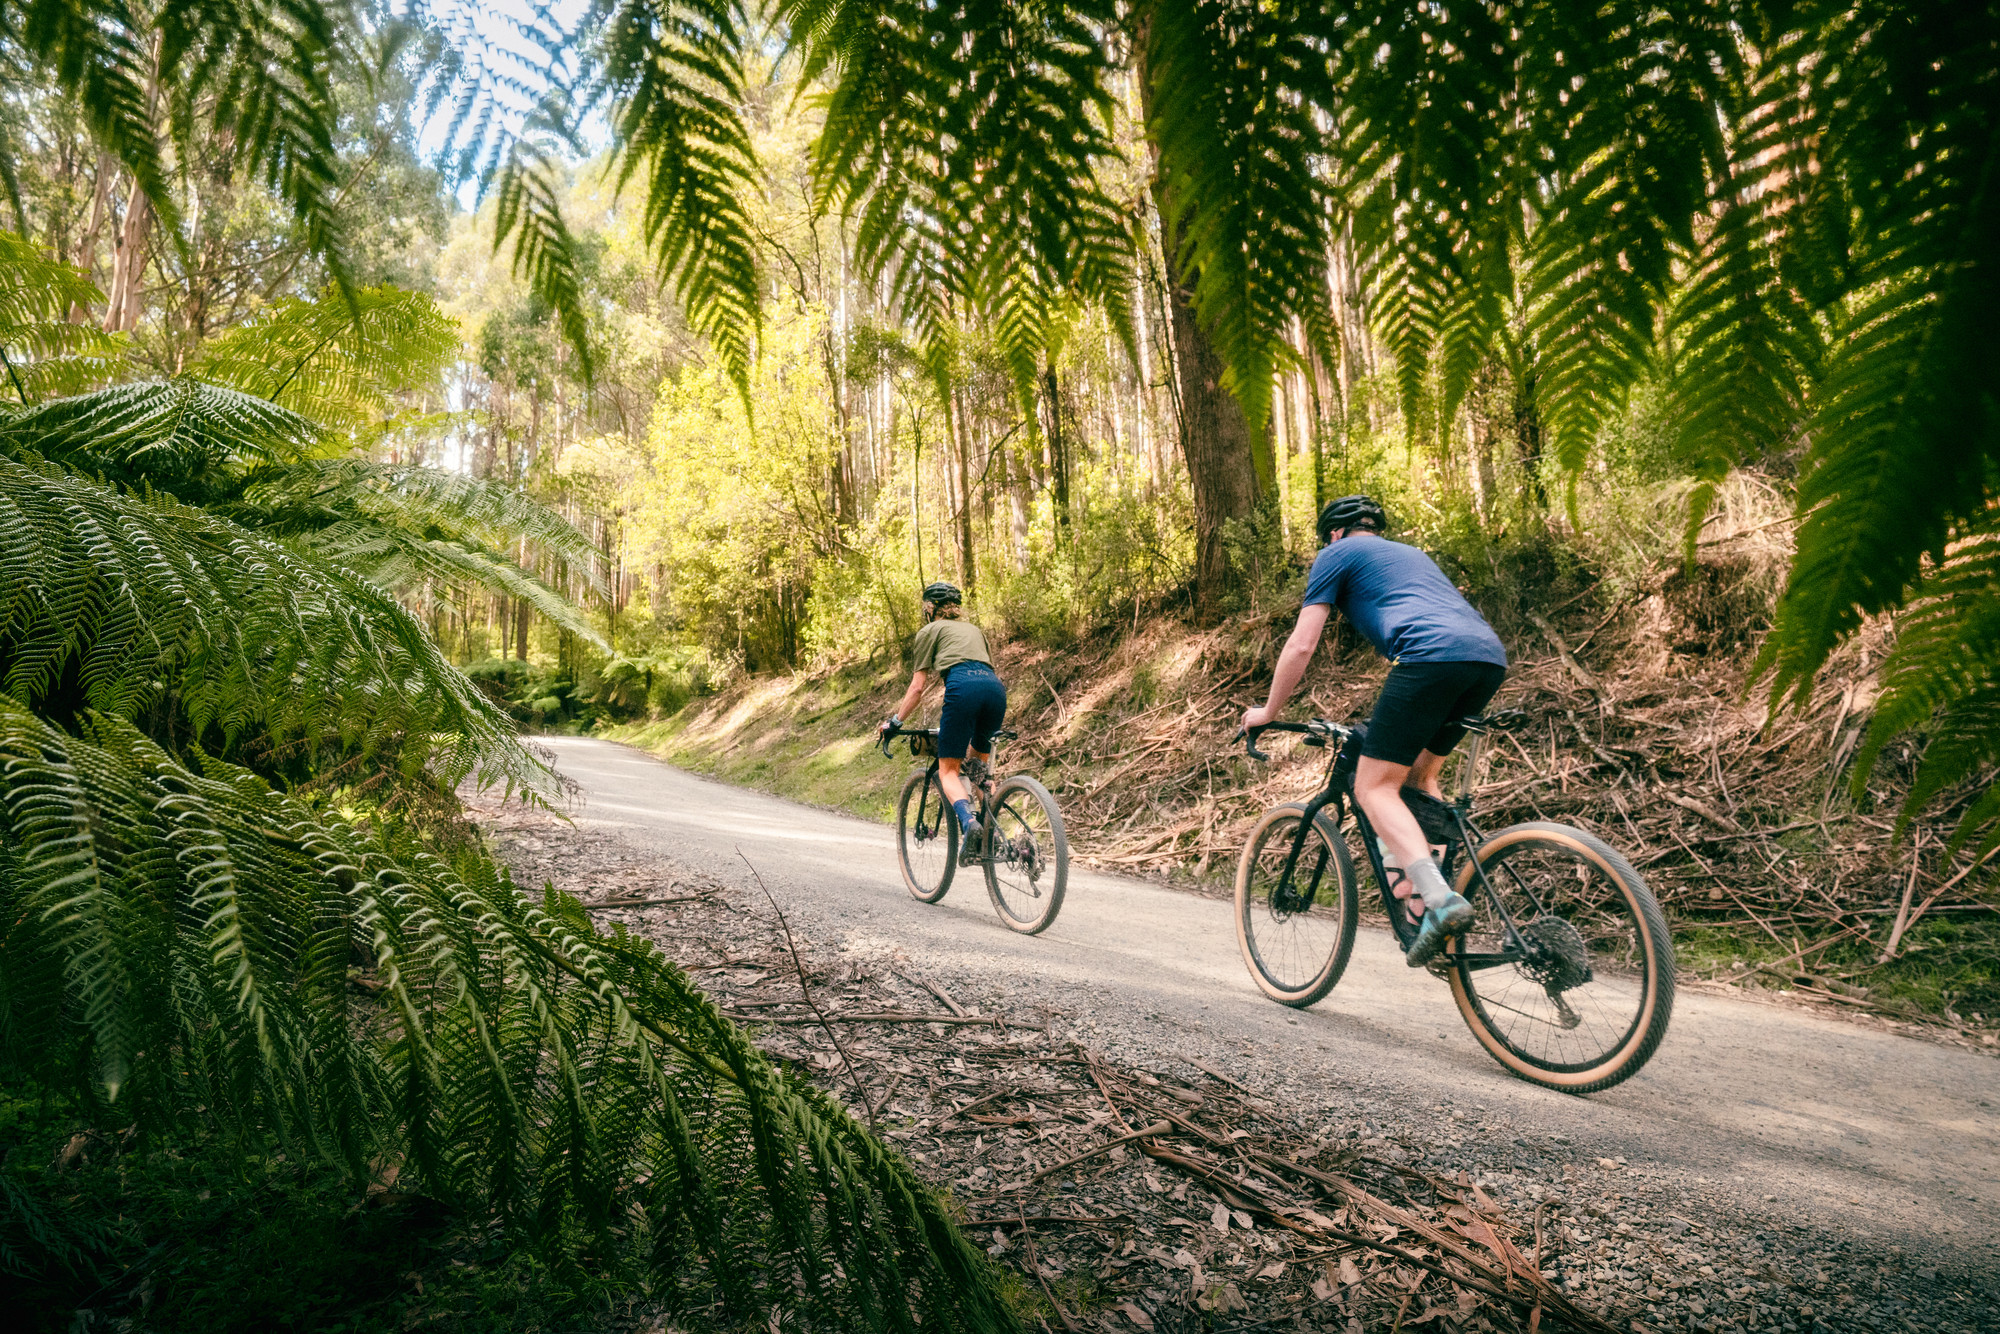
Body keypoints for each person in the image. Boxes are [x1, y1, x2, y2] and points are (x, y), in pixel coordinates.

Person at [1240, 496, 1508, 966]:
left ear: (1335, 533)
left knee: (1373, 785)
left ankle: (1439, 900)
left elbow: (1302, 644)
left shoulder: (1335, 555)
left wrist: (1268, 709)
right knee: (1420, 779)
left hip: (1430, 658)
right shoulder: (1411, 554)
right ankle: (1426, 905)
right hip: (1487, 658)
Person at [880, 582, 1008, 864]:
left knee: (947, 770)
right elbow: (984, 670)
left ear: (929, 608)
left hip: (963, 688)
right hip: (995, 690)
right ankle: (993, 834)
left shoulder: (929, 631)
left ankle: (968, 823)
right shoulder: (975, 630)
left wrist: (895, 722)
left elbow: (917, 688)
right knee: (979, 768)